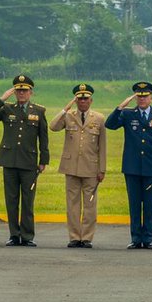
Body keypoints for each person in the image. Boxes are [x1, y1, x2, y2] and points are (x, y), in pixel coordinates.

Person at [0, 75, 49, 247]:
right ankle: (14, 235)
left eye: (24, 90)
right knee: (11, 200)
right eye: (18, 90)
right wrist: (2, 99)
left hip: (29, 162)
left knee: (27, 201)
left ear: (31, 92)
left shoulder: (38, 111)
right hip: (10, 161)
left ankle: (27, 236)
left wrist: (44, 160)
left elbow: (43, 137)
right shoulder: (7, 109)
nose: (21, 93)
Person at [105, 82, 152, 250]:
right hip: (132, 167)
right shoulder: (127, 114)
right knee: (134, 204)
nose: (142, 99)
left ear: (151, 98)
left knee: (149, 205)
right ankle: (135, 238)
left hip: (151, 167)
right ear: (135, 98)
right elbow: (109, 125)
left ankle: (148, 239)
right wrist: (120, 107)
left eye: (145, 96)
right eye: (139, 96)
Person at [49, 83, 108, 248]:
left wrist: (102, 169)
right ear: (75, 100)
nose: (82, 102)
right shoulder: (68, 116)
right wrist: (65, 109)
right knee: (72, 204)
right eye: (79, 99)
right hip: (71, 167)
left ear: (91, 100)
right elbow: (53, 127)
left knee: (90, 205)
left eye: (85, 99)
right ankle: (74, 237)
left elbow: (102, 146)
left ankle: (87, 237)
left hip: (91, 168)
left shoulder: (99, 118)